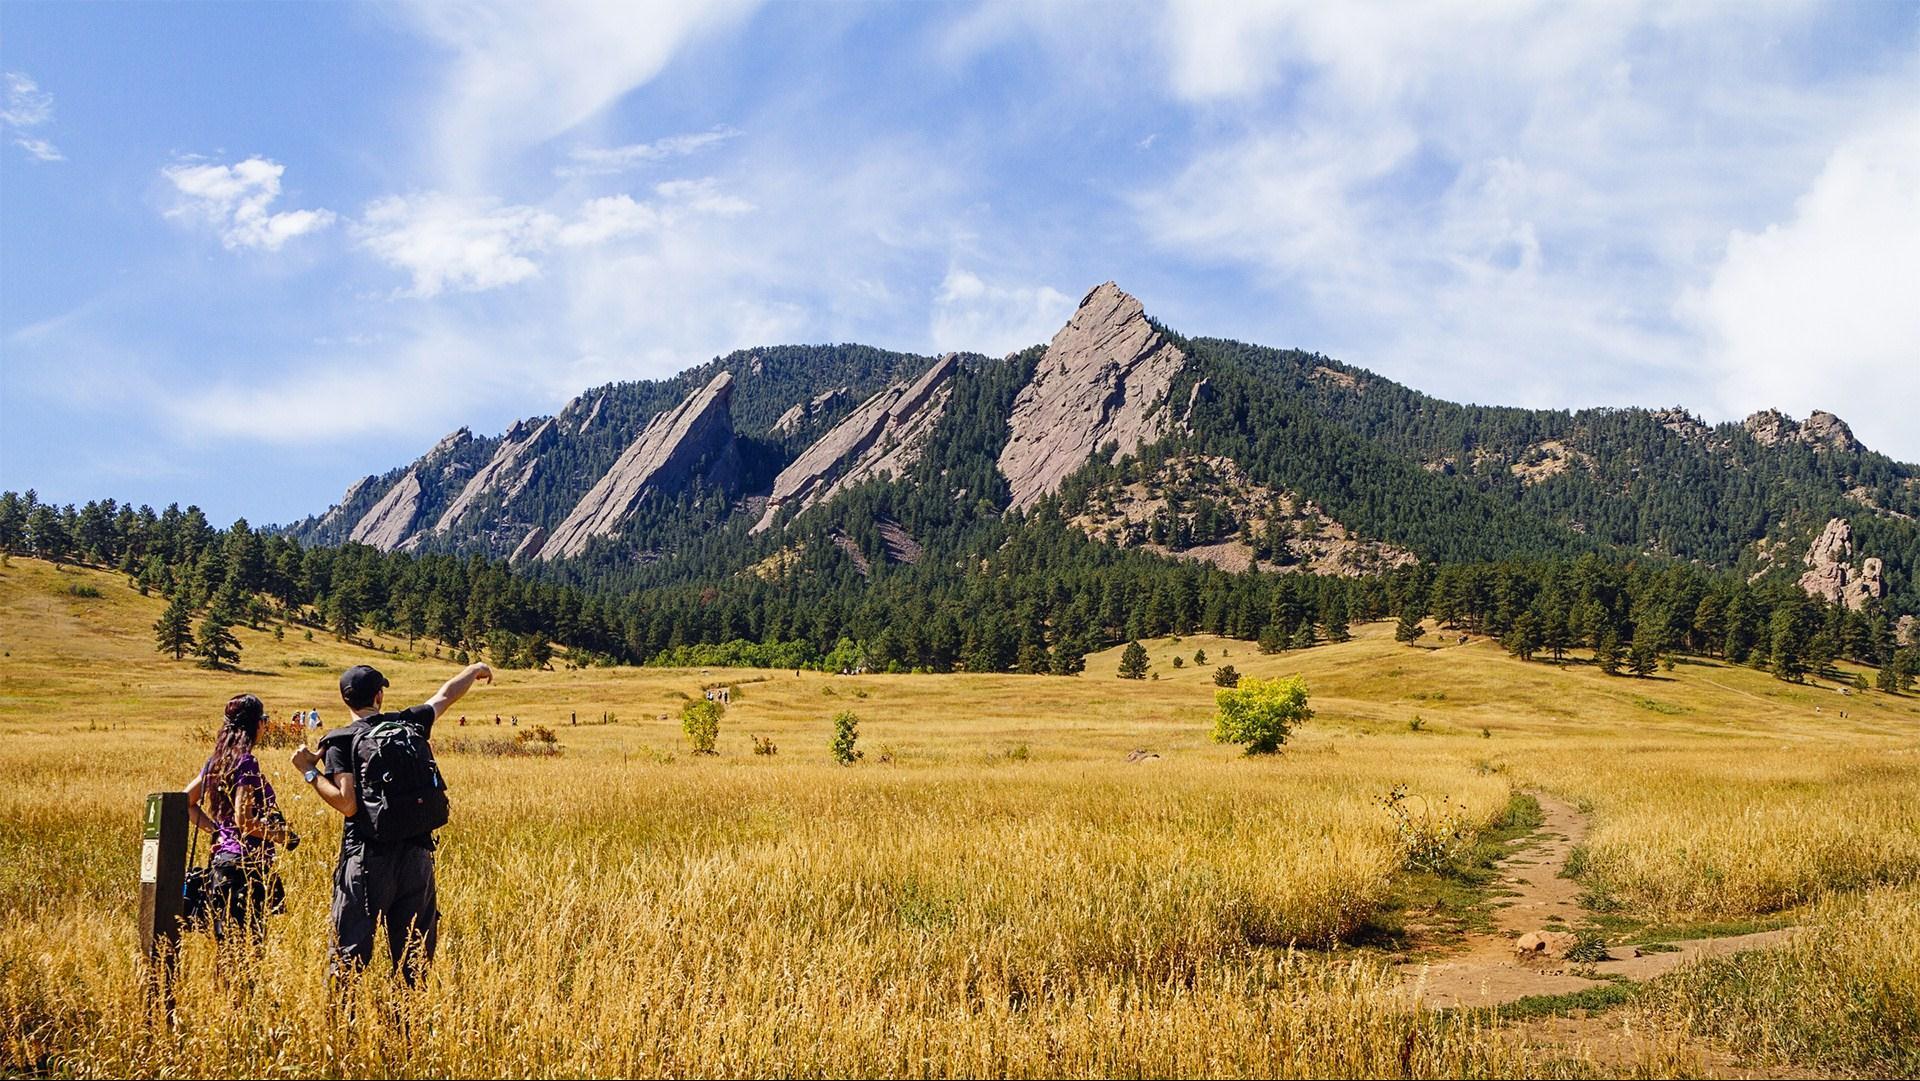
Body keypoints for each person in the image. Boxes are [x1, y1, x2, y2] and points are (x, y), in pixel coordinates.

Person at [292, 661, 491, 982]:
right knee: (413, 957)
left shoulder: (338, 740)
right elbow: (445, 696)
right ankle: (407, 1025)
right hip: (417, 856)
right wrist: (474, 669)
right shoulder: (407, 723)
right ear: (379, 695)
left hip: (367, 858)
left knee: (348, 959)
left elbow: (346, 803)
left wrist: (309, 772)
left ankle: (347, 1026)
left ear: (345, 699)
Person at [185, 693, 299, 940]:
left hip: (222, 864)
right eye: (264, 719)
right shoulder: (247, 763)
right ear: (256, 724)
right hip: (246, 868)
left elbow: (186, 802)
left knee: (228, 951)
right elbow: (244, 821)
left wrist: (216, 831)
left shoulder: (216, 762)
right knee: (247, 952)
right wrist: (284, 836)